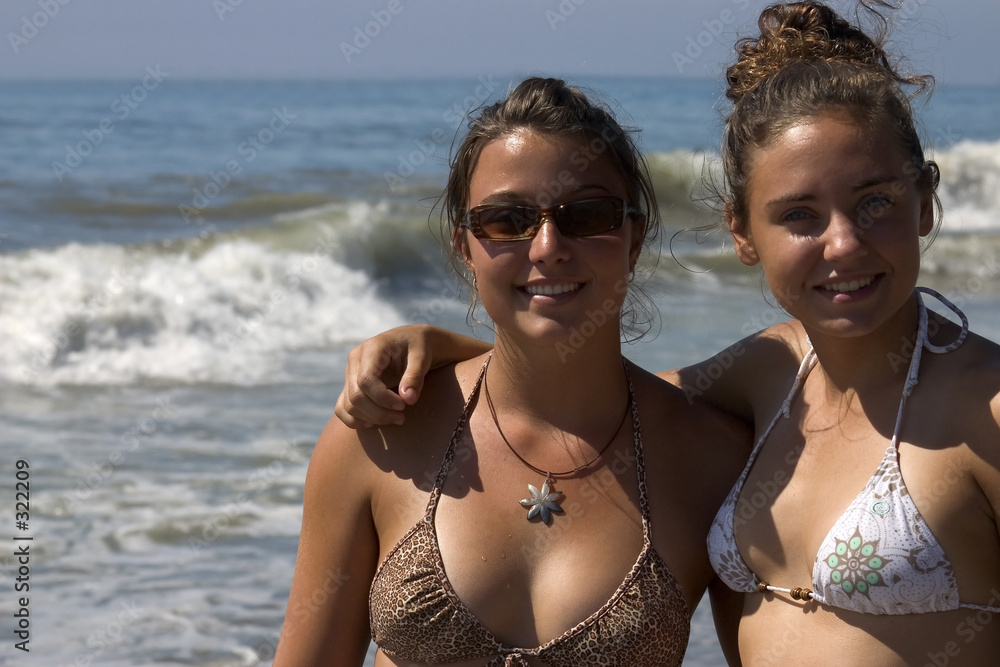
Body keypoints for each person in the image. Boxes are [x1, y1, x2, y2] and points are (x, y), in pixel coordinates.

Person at [333, 2, 1000, 664]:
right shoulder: (765, 378)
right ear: (743, 232)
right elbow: (577, 391)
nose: (844, 243)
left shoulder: (987, 407)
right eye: (800, 214)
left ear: (927, 202)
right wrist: (436, 345)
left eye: (875, 201)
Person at [274, 76, 749, 666]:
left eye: (587, 214)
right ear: (464, 247)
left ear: (632, 239)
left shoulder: (714, 463)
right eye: (507, 219)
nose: (547, 245)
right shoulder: (379, 431)